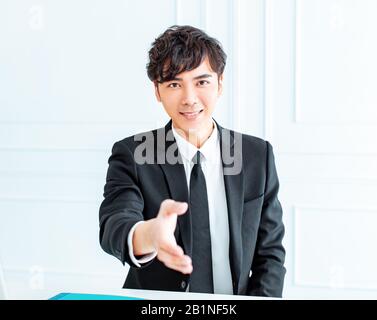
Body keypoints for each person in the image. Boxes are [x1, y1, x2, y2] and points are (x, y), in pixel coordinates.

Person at [99, 25, 286, 297]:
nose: (189, 99)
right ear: (157, 90)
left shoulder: (257, 155)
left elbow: (270, 253)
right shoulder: (134, 153)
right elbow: (115, 223)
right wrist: (150, 234)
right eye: (174, 84)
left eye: (202, 82)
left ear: (220, 83)